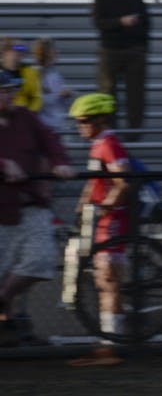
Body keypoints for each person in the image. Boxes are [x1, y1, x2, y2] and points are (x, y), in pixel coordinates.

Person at [0, 70, 75, 347]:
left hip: (31, 204)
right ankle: (11, 326)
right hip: (2, 209)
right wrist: (3, 163)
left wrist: (59, 161)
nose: (5, 96)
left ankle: (4, 300)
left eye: (8, 90)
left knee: (40, 259)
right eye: (1, 91)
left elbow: (50, 140)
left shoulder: (25, 117)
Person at [67, 92, 131, 366]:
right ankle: (108, 341)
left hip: (111, 222)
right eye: (78, 122)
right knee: (104, 282)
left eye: (84, 121)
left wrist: (105, 206)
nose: (80, 126)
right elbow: (96, 181)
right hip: (103, 222)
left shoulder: (108, 144)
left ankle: (110, 345)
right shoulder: (99, 144)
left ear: (100, 120)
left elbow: (123, 181)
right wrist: (83, 203)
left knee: (108, 282)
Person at [92, 0, 151, 141]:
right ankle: (111, 133)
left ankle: (134, 134)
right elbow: (99, 22)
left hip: (133, 51)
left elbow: (146, 22)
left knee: (136, 95)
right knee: (108, 93)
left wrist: (142, 48)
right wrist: (120, 22)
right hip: (111, 50)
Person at [31, 37, 74, 132]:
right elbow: (37, 100)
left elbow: (60, 103)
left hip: (55, 126)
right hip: (41, 127)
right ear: (46, 53)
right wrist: (59, 94)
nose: (57, 52)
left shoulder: (55, 74)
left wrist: (66, 96)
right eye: (54, 50)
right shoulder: (36, 74)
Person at [1, 37, 41, 112]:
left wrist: (29, 114)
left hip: (23, 117)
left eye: (21, 52)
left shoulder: (31, 73)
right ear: (5, 53)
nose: (19, 55)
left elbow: (37, 98)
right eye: (15, 51)